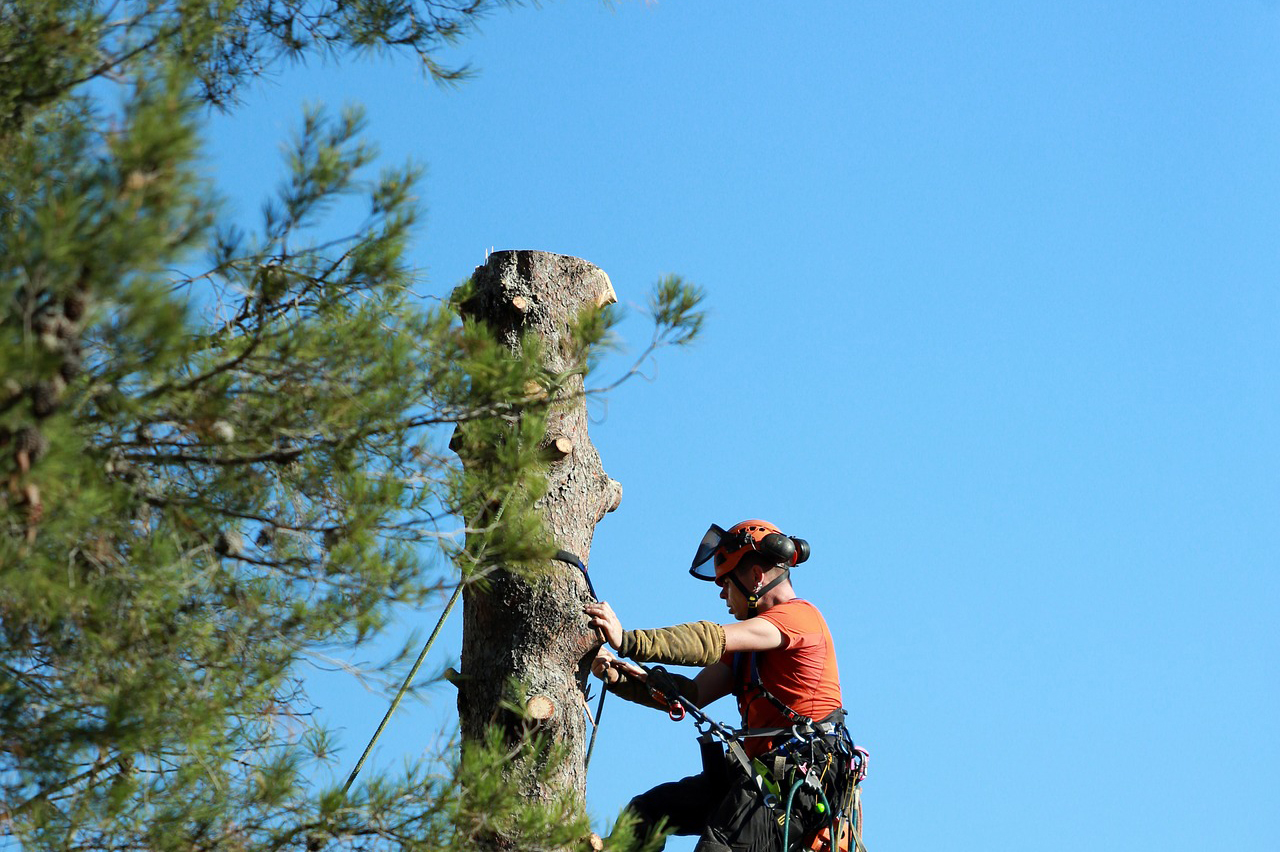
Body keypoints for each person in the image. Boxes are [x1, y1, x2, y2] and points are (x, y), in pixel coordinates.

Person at [585, 520, 860, 852]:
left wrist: (628, 640)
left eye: (726, 583)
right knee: (649, 811)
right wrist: (618, 675)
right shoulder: (749, 652)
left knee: (717, 848)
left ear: (756, 577)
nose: (722, 593)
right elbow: (691, 695)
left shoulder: (799, 618)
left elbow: (709, 639)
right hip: (761, 778)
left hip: (796, 782)